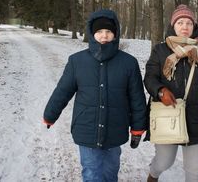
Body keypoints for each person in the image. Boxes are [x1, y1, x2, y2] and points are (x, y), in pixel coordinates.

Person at [43, 9, 147, 182]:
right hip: (87, 128)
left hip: (115, 130)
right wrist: (50, 115)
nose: (104, 36)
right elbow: (63, 91)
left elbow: (137, 98)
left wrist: (137, 128)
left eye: (108, 31)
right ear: (92, 34)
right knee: (92, 173)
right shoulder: (77, 61)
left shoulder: (129, 63)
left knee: (110, 172)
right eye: (99, 32)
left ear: (115, 34)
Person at [144, 4, 198, 182]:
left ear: (194, 27)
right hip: (168, 116)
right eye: (180, 22)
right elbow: (149, 78)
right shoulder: (160, 51)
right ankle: (153, 174)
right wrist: (160, 91)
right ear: (173, 25)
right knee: (164, 161)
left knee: (195, 172)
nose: (184, 26)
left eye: (189, 23)